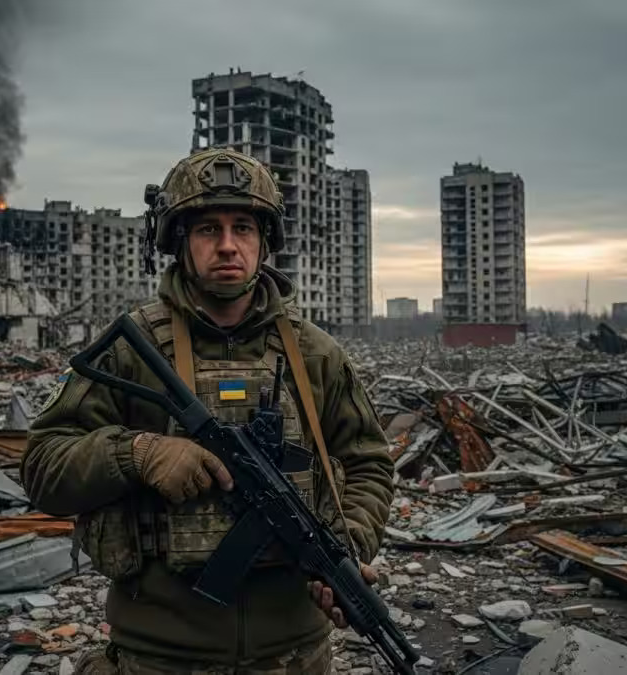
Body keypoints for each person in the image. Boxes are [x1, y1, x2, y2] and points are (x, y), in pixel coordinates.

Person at [22, 148, 396, 674]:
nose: (227, 246)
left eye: (243, 227)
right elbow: (43, 466)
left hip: (295, 656)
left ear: (265, 241)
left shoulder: (315, 353)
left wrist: (345, 550)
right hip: (159, 656)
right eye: (207, 230)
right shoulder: (130, 352)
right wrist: (139, 454)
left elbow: (367, 462)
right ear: (178, 242)